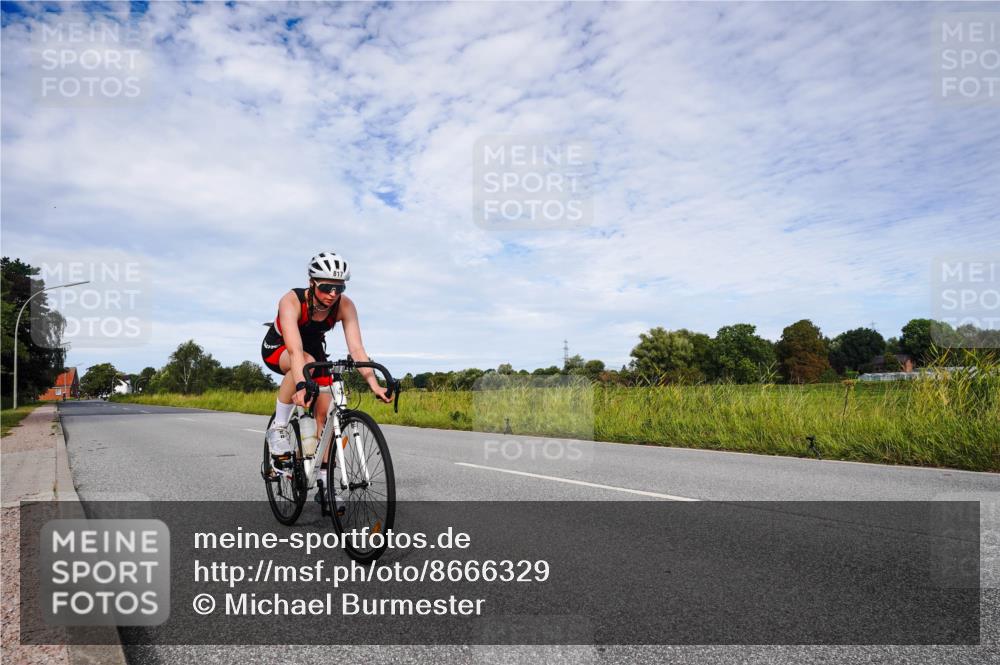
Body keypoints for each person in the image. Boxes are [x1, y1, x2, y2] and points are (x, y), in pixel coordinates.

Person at [261, 251, 390, 485]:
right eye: (326, 287)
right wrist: (302, 385)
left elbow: (357, 349)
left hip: (313, 350)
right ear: (311, 283)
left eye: (339, 288)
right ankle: (279, 427)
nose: (333, 294)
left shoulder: (345, 305)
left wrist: (374, 384)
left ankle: (323, 480)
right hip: (280, 347)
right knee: (305, 361)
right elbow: (295, 351)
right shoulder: (291, 301)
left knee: (325, 412)